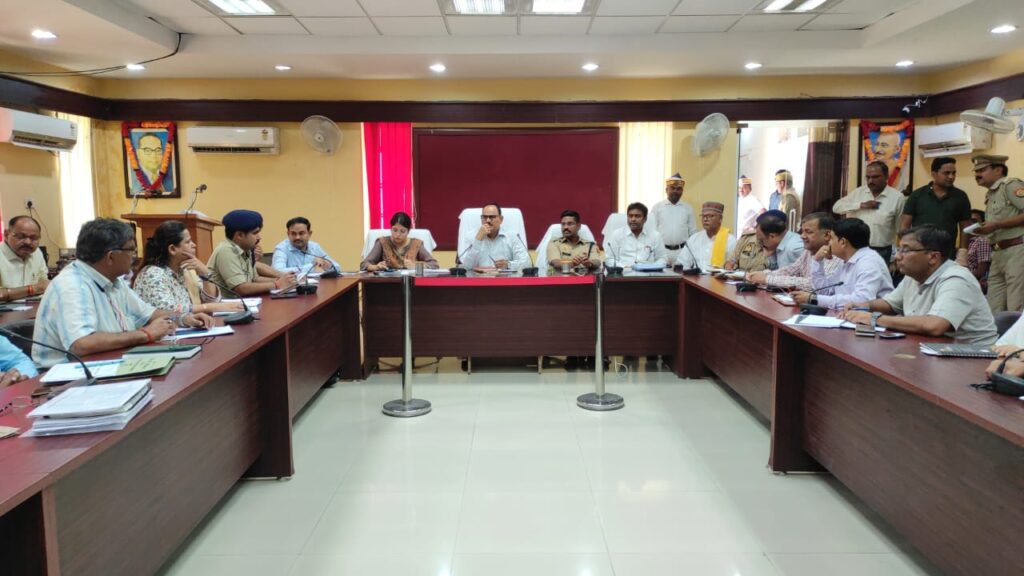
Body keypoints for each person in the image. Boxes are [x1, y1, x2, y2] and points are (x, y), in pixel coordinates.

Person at [33, 218, 214, 368]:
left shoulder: (114, 280)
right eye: (131, 250)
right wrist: (145, 334)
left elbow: (149, 313)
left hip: (108, 362)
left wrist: (184, 318)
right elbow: (82, 344)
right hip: (68, 377)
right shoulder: (73, 285)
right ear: (111, 256)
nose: (135, 256)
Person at [844, 225, 997, 345]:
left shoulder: (957, 279)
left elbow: (935, 325)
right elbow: (890, 304)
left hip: (971, 357)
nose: (897, 256)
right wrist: (864, 306)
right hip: (931, 348)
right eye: (898, 250)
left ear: (933, 257)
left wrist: (874, 319)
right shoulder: (914, 275)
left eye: (905, 250)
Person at [133, 221, 245, 316]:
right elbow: (168, 310)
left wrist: (205, 273)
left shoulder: (186, 269)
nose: (194, 245)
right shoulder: (152, 274)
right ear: (172, 249)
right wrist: (210, 307)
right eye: (188, 242)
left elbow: (211, 300)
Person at [793, 218, 893, 310]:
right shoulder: (846, 260)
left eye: (831, 238)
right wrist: (817, 261)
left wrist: (814, 299)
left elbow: (861, 301)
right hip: (845, 315)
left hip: (871, 320)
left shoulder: (869, 262)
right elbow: (826, 291)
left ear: (843, 242)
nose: (828, 243)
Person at [970, 154, 1024, 313]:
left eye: (982, 170)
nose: (977, 174)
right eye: (976, 171)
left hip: (1017, 251)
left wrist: (996, 225)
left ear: (998, 170)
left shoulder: (1010, 186)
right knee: (994, 309)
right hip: (997, 253)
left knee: (1016, 306)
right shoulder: (991, 194)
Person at [208, 210, 296, 298]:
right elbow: (241, 288)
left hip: (242, 302)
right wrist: (277, 284)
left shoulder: (245, 249)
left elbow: (254, 279)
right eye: (255, 233)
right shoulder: (226, 251)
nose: (259, 237)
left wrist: (283, 281)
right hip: (225, 305)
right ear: (239, 235)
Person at [831, 161, 905, 264]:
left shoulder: (897, 198)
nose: (870, 181)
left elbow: (900, 228)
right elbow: (836, 208)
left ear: (886, 176)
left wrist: (900, 253)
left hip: (882, 251)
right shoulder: (859, 193)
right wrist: (861, 205)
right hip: (855, 248)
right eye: (868, 177)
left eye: (875, 177)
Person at [746, 213, 840, 291]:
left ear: (827, 235)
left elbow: (815, 285)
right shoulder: (809, 250)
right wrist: (763, 275)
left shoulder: (836, 254)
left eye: (808, 232)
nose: (802, 236)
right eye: (802, 231)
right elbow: (791, 270)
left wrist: (768, 279)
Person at [900, 157, 972, 257]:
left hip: (947, 253)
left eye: (953, 173)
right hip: (919, 252)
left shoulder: (960, 196)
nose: (951, 177)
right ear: (934, 174)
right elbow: (905, 225)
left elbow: (965, 227)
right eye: (946, 173)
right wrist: (905, 248)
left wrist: (962, 252)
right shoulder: (917, 195)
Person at [726, 210, 803, 272]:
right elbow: (732, 259)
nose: (761, 242)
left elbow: (801, 278)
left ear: (772, 236)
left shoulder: (794, 247)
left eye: (762, 240)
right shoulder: (749, 238)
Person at [460, 203, 529, 271]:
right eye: (484, 217)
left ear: (501, 219)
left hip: (505, 277)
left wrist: (508, 265)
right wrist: (478, 240)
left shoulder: (512, 237)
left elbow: (526, 263)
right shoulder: (472, 236)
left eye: (492, 217)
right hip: (479, 277)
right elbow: (466, 267)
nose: (488, 220)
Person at [360, 212, 438, 272]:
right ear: (390, 229)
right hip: (387, 282)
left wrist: (415, 266)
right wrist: (376, 267)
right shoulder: (382, 242)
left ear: (408, 231)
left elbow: (434, 264)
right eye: (395, 230)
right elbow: (364, 264)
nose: (398, 234)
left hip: (411, 282)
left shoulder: (416, 244)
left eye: (402, 231)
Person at [649, 172, 696, 263]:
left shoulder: (688, 208)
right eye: (672, 188)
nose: (675, 191)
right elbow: (652, 231)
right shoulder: (657, 207)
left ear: (682, 191)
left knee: (682, 272)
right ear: (666, 190)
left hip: (683, 251)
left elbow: (693, 232)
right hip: (662, 251)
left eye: (678, 189)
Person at [0, 215, 49, 302]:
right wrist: (32, 289)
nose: (28, 242)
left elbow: (44, 284)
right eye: (21, 236)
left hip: (32, 307)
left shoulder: (36, 253)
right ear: (7, 234)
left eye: (34, 238)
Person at [676, 201, 736, 272]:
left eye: (711, 216)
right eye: (703, 216)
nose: (705, 219)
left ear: (720, 218)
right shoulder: (694, 239)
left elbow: (732, 266)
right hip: (696, 278)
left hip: (719, 278)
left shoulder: (730, 240)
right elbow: (682, 263)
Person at [604, 202, 667, 268]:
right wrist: (623, 267)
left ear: (645, 219)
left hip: (648, 273)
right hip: (624, 272)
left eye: (637, 216)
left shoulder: (655, 236)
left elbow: (662, 258)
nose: (633, 219)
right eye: (630, 216)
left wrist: (652, 267)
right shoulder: (617, 235)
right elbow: (610, 259)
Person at [273, 216, 340, 274]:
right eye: (293, 233)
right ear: (288, 234)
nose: (297, 237)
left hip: (312, 284)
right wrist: (311, 265)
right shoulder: (281, 248)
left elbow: (337, 268)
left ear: (309, 233)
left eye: (301, 233)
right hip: (291, 284)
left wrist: (329, 266)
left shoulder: (314, 247)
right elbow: (278, 271)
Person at [964, 209, 991, 292]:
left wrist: (962, 277)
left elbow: (981, 271)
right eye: (968, 221)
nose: (970, 224)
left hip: (972, 284)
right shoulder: (966, 242)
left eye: (974, 221)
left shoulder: (982, 241)